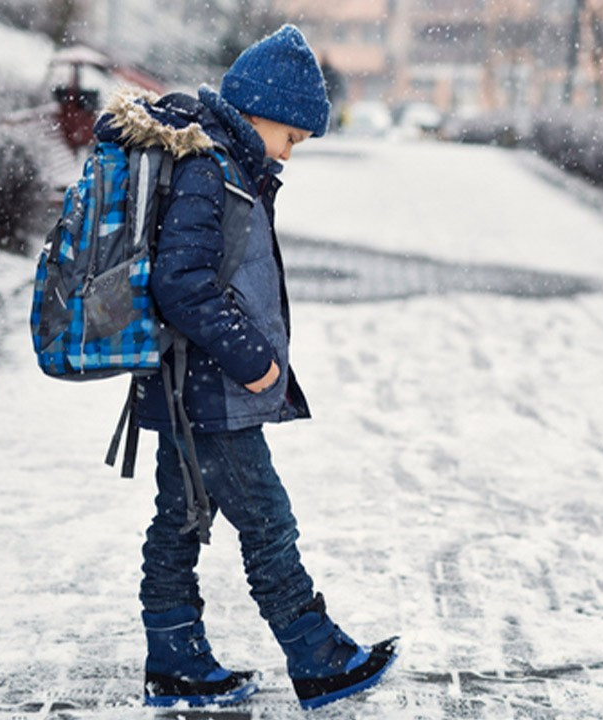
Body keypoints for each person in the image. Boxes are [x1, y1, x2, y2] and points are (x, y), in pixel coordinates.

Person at [91, 25, 398, 710]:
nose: (290, 153)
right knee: (267, 522)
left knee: (179, 520)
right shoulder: (212, 169)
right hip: (210, 390)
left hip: (183, 383)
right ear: (261, 112)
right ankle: (318, 657)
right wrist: (253, 358)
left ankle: (175, 659)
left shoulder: (222, 163)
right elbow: (182, 283)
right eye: (291, 136)